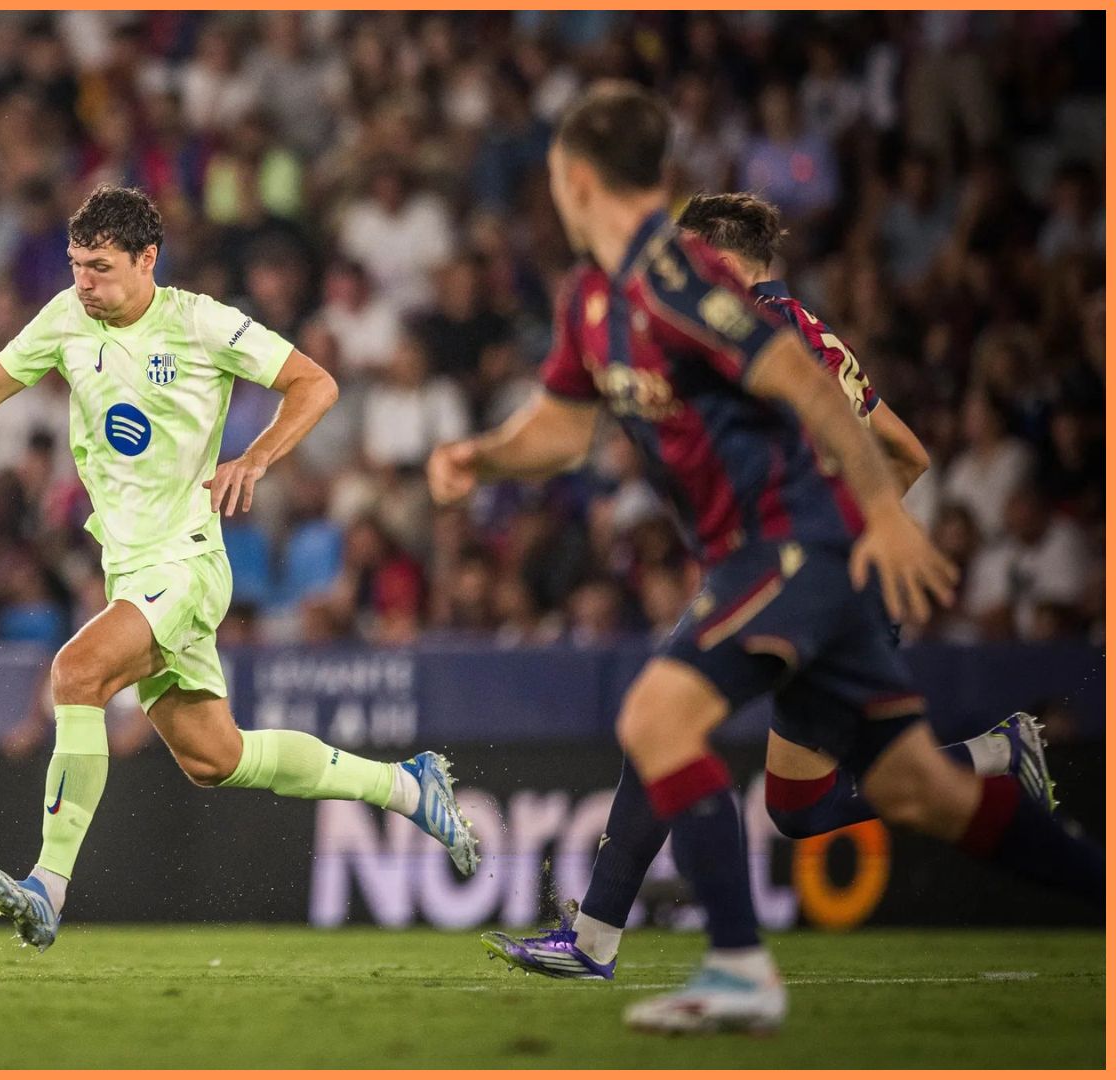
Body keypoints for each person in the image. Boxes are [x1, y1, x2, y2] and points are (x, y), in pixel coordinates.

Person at [425, 83, 1101, 1035]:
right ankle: (1006, 768)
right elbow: (562, 432)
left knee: (658, 717)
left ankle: (659, 952)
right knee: (857, 795)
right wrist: (480, 455)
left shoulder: (713, 298)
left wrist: (860, 521)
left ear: (578, 181)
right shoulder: (611, 299)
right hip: (810, 568)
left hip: (791, 557)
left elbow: (803, 390)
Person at [0, 184, 476, 953]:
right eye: (77, 265)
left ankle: (47, 887)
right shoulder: (67, 317)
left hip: (187, 562)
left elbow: (316, 382)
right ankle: (410, 786)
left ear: (148, 260)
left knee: (75, 672)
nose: (85, 283)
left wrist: (256, 456)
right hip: (130, 570)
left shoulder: (201, 321)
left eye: (101, 268)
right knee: (217, 758)